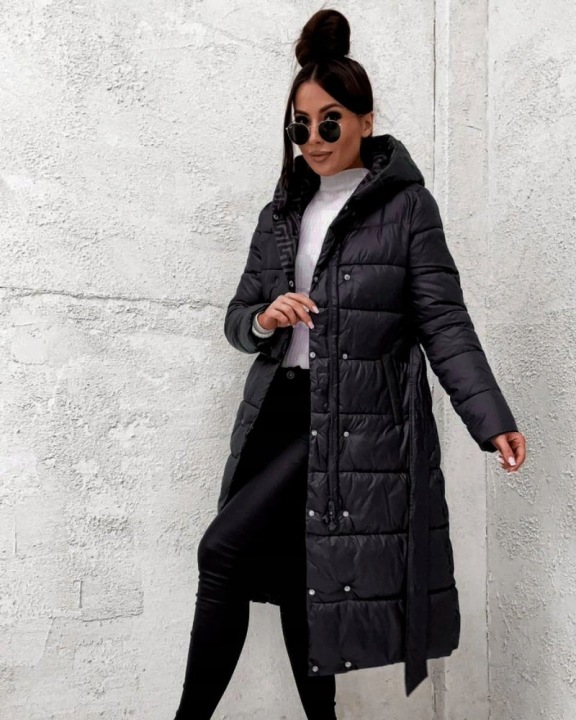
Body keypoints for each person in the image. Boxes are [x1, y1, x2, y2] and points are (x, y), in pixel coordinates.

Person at [173, 8, 527, 719]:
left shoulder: (407, 209)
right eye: (300, 126)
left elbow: (443, 322)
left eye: (329, 122)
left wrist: (489, 419)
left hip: (349, 424)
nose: (313, 139)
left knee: (221, 553)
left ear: (366, 121)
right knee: (300, 578)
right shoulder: (280, 214)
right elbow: (237, 319)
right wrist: (265, 318)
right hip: (278, 413)